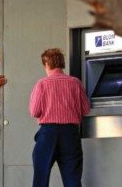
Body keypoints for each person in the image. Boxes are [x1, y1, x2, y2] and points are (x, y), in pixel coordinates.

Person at [29, 48, 90, 187]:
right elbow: (86, 110)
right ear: (62, 63)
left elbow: (34, 111)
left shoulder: (42, 84)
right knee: (72, 180)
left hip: (48, 134)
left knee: (40, 179)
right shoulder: (75, 83)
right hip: (70, 134)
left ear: (46, 64)